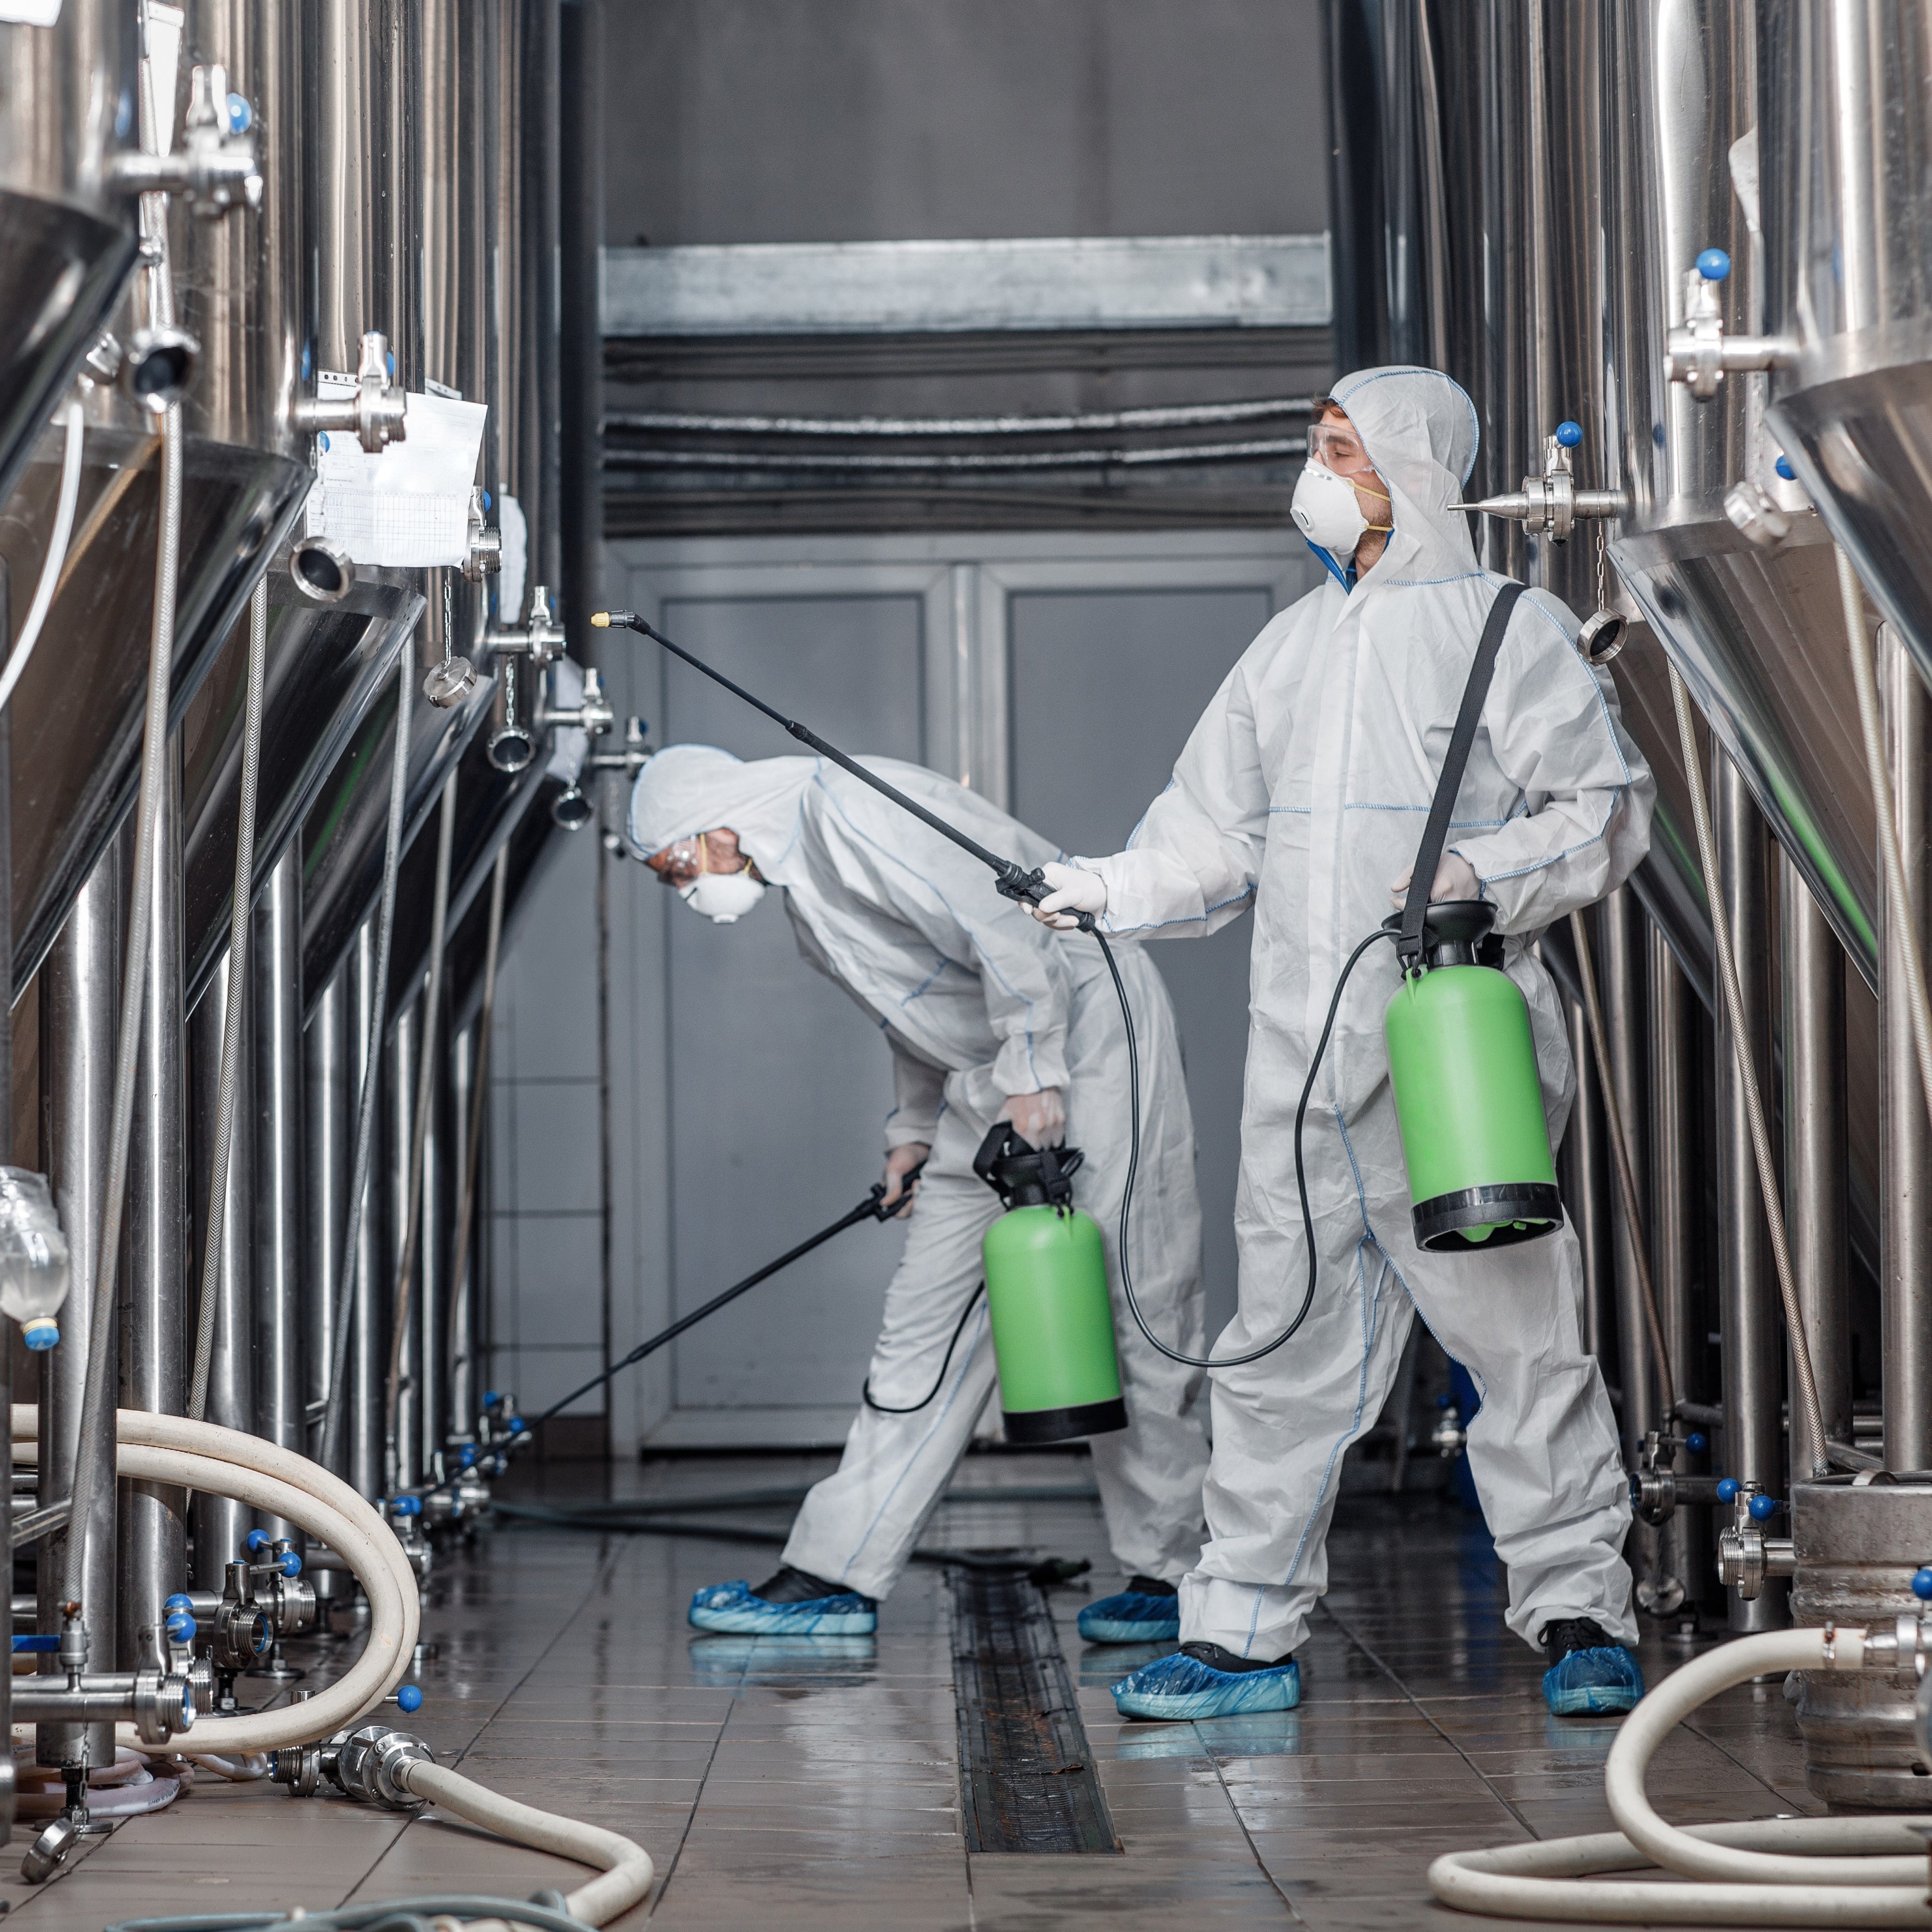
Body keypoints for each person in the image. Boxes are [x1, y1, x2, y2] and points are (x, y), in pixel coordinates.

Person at [1029, 366, 1656, 1722]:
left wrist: (1479, 871)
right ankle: (1243, 1631)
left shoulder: (1509, 628)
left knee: (1518, 1343)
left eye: (1338, 449)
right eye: (1316, 446)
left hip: (1453, 1051)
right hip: (1300, 1061)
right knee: (1279, 1353)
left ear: (1411, 471)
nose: (1315, 472)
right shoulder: (1292, 649)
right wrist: (1110, 890)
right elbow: (1211, 834)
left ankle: (1581, 1616)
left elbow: (1600, 812)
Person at [627, 745, 1212, 1645]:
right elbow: (917, 1010)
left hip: (1089, 1042)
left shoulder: (855, 810)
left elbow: (1005, 922)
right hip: (996, 1073)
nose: (684, 889)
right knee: (921, 1331)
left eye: (676, 866)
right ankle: (834, 1574)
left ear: (715, 825)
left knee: (1134, 1300)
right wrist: (911, 1131)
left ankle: (1171, 1573)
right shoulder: (809, 901)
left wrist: (1033, 1069)